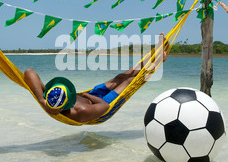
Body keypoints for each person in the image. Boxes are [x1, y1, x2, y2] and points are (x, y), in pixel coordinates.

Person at [24, 33, 168, 123]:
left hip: (91, 95)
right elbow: (105, 107)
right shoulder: (80, 112)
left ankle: (154, 53)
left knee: (122, 76)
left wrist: (42, 101)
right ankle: (159, 60)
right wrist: (86, 95)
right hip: (102, 104)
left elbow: (29, 72)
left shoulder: (51, 97)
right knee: (130, 81)